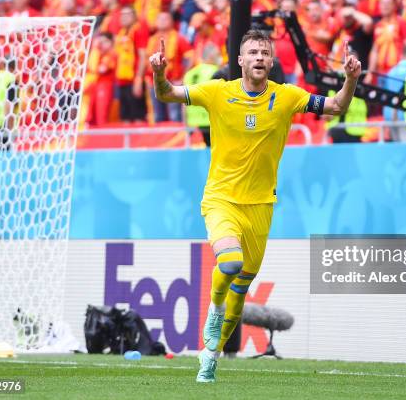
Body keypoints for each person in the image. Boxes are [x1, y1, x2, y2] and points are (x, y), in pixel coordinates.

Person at [149, 29, 361, 383]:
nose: (260, 56)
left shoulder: (287, 97)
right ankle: (213, 310)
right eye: (253, 52)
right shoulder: (218, 91)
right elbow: (167, 93)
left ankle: (211, 355)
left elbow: (337, 106)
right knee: (230, 263)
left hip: (261, 205)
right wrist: (158, 72)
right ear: (241, 61)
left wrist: (350, 79)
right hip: (221, 199)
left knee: (242, 286)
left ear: (272, 61)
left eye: (265, 51)